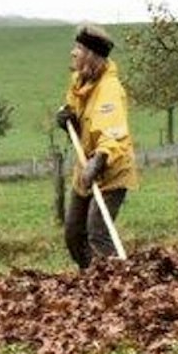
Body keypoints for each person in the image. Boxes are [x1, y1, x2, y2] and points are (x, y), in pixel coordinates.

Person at [55, 24, 137, 269]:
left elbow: (113, 134)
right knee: (73, 234)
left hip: (110, 170)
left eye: (78, 48)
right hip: (86, 168)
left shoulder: (109, 90)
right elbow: (76, 112)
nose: (73, 53)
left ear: (90, 55)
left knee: (98, 233)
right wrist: (67, 118)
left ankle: (117, 286)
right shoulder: (80, 82)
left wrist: (99, 161)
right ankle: (91, 282)